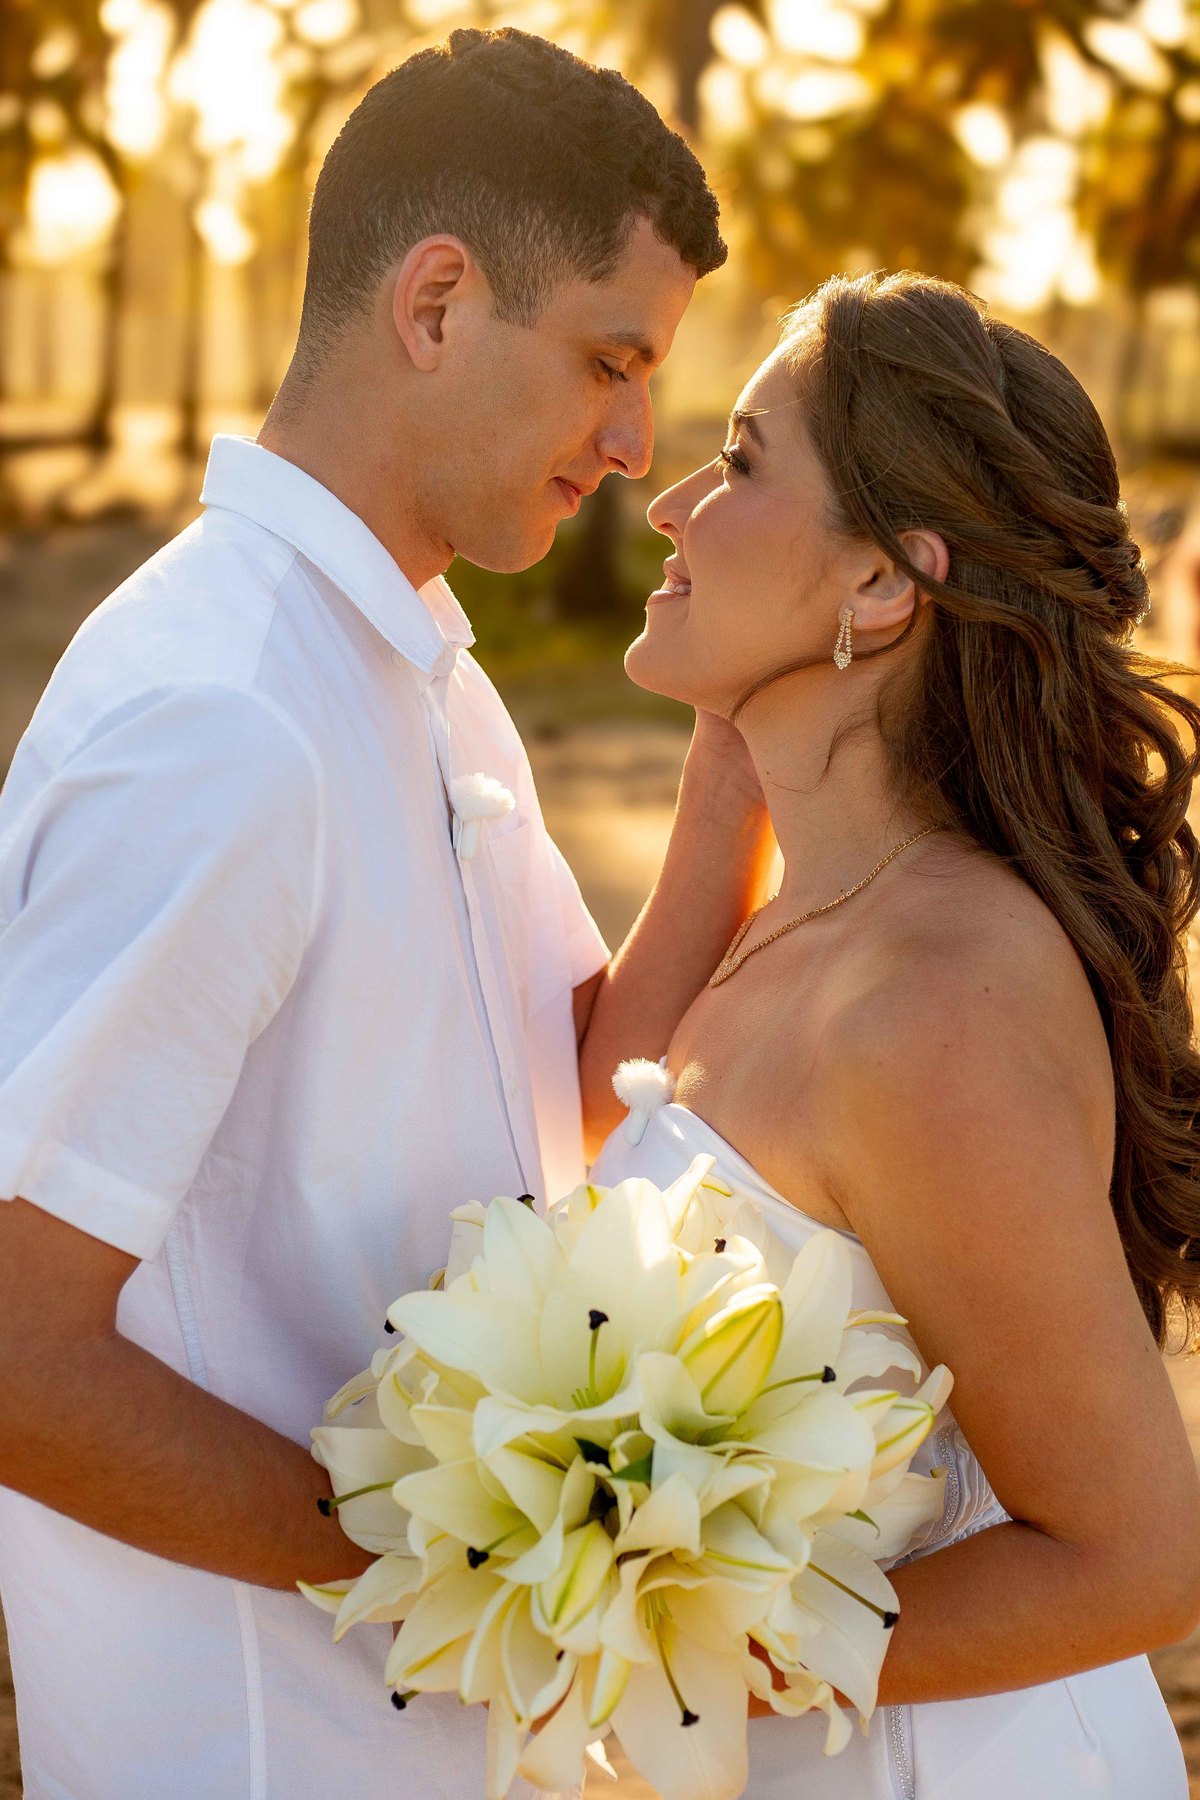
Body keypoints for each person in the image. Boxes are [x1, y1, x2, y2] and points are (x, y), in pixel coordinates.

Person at [0, 29, 775, 1800]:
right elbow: (13, 1347)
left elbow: (577, 1082)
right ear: (435, 304)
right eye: (609, 362)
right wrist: (454, 1563)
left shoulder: (421, 665)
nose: (635, 439)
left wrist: (742, 749)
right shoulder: (225, 720)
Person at [588, 269, 1200, 1795]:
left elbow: (1139, 1558)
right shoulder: (812, 912)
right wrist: (731, 772)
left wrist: (674, 1646)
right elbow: (622, 1105)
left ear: (880, 588)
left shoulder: (937, 1001)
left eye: (737, 465)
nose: (669, 506)